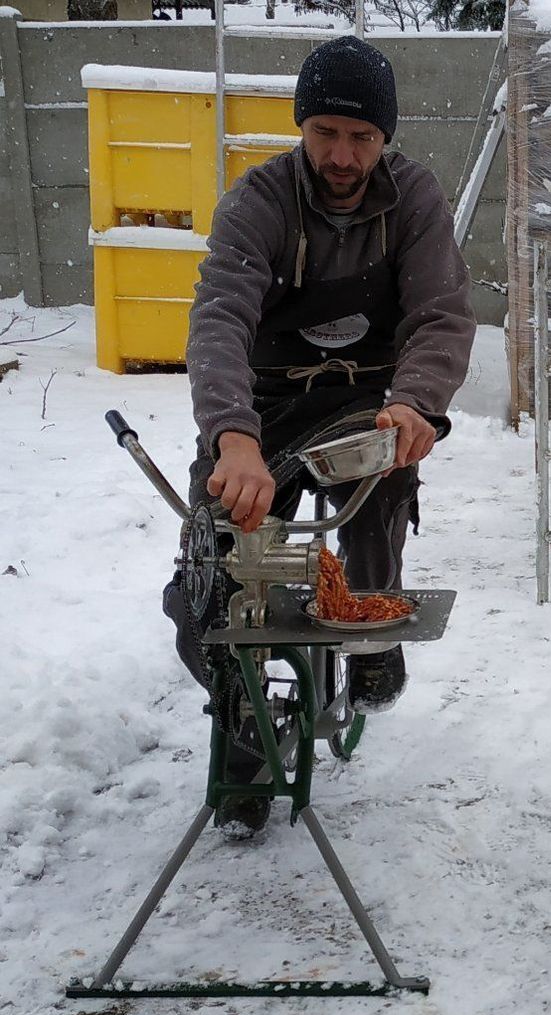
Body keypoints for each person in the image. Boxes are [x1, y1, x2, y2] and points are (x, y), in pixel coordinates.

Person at [166, 35, 475, 833]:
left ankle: (371, 624)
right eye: (325, 133)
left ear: (386, 138)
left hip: (365, 398)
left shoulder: (414, 198)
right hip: (263, 401)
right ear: (302, 128)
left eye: (361, 137)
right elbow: (220, 319)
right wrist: (232, 435)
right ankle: (241, 731)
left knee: (377, 486)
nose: (342, 154)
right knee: (217, 568)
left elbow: (440, 314)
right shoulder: (258, 200)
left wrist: (415, 403)